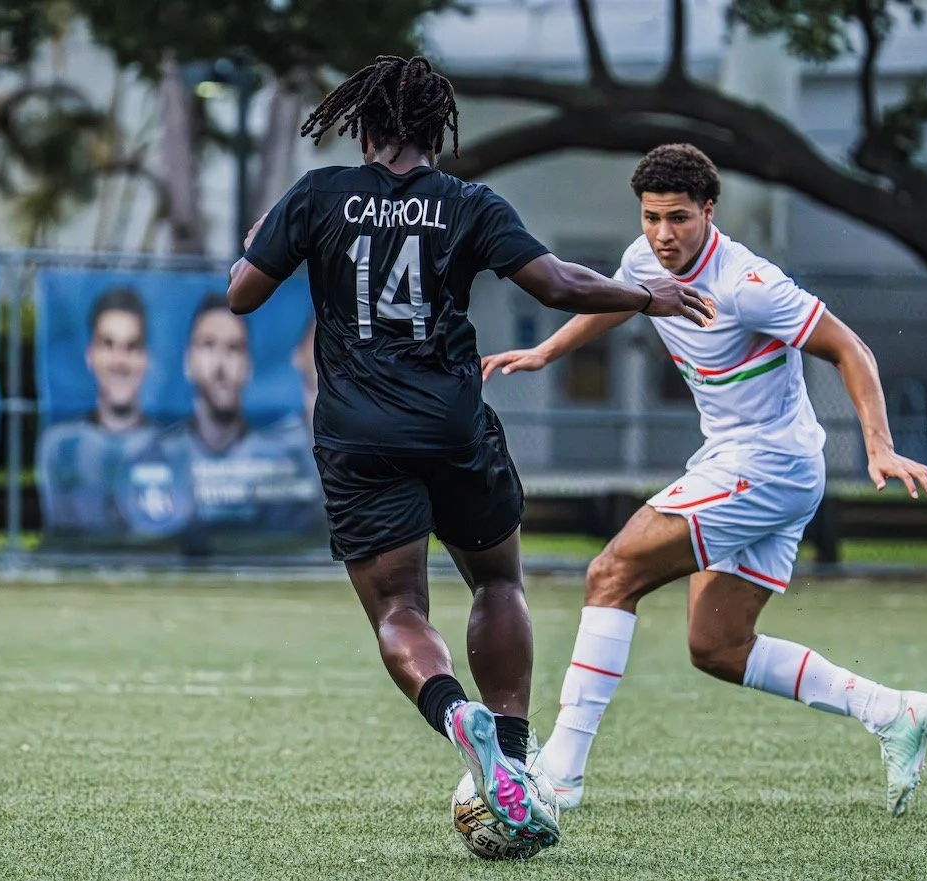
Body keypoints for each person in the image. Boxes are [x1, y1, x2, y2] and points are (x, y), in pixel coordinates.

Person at [226, 55, 712, 848]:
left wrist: (258, 243)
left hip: (360, 436)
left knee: (399, 610)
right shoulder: (466, 203)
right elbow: (556, 284)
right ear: (435, 130)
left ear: (364, 125)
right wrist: (643, 294)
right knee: (496, 580)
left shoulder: (317, 195)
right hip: (453, 426)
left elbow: (242, 293)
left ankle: (457, 713)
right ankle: (513, 755)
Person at [482, 143, 927, 818]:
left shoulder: (750, 284)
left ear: (709, 210)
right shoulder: (645, 259)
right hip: (750, 463)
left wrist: (880, 447)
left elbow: (850, 348)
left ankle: (560, 773)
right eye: (651, 218)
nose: (663, 235)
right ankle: (893, 710)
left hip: (767, 464)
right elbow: (623, 299)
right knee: (718, 646)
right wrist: (548, 350)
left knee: (612, 573)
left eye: (679, 218)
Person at [38, 287, 194, 541]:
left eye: (131, 346)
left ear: (145, 358)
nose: (119, 361)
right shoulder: (60, 448)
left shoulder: (175, 449)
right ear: (90, 355)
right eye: (108, 344)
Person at [164, 294, 320, 535]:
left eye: (233, 348)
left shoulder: (280, 463)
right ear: (188, 361)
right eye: (208, 345)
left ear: (249, 365)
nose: (220, 365)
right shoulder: (160, 456)